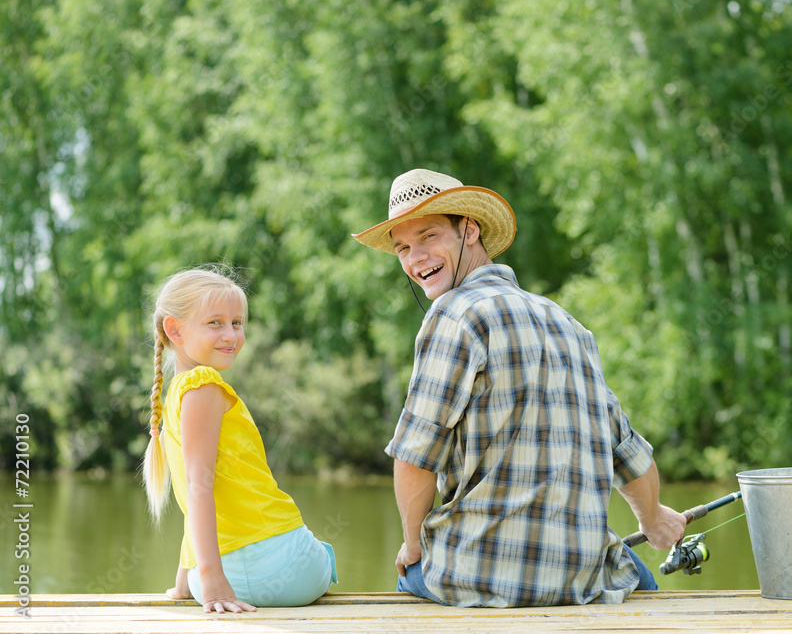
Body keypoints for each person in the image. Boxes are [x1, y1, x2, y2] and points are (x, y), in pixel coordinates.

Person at [353, 168, 686, 607]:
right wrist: (653, 517)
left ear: (469, 230)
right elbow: (624, 450)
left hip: (472, 575)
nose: (416, 258)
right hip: (583, 580)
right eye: (403, 247)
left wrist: (412, 545)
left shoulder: (453, 315)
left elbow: (416, 457)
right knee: (637, 578)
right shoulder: (568, 323)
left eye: (429, 236)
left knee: (410, 574)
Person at [141, 265, 337, 614]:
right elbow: (199, 488)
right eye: (215, 323)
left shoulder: (177, 395)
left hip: (212, 582)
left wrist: (191, 583)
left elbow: (194, 493)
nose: (231, 334)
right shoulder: (203, 384)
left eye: (237, 322)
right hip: (285, 572)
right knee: (322, 554)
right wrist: (213, 579)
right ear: (175, 329)